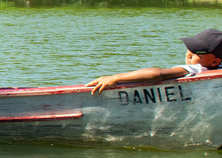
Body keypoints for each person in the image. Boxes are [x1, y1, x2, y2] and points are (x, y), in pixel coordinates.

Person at [87, 28, 222, 94]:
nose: (188, 53)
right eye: (189, 49)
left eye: (196, 53)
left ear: (215, 62)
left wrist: (115, 78)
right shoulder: (217, 67)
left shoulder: (199, 69)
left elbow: (157, 74)